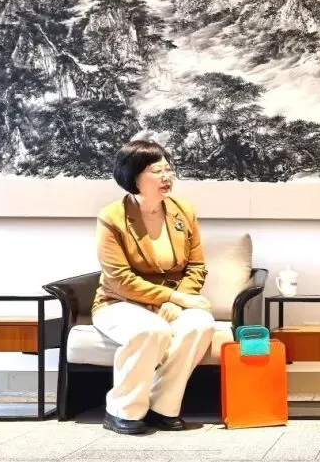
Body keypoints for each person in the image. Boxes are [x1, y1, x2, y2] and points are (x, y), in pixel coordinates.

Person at [90, 140, 216, 435]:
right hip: (119, 302)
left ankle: (162, 408)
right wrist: (172, 297)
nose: (166, 177)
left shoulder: (183, 211)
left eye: (168, 170)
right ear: (134, 177)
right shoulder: (112, 217)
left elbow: (196, 266)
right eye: (157, 171)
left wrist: (178, 301)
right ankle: (121, 410)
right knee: (151, 330)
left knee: (200, 324)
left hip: (174, 300)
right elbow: (119, 279)